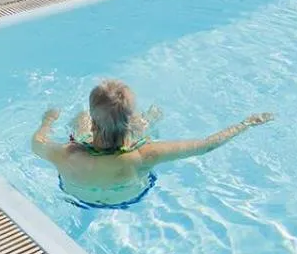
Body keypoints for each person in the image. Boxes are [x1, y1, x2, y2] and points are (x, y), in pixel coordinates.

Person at [31, 78, 273, 209]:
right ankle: (149, 118)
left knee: (78, 123)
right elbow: (206, 145)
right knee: (147, 124)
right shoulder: (147, 153)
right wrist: (247, 123)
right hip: (129, 198)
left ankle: (109, 119)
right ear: (128, 119)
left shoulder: (66, 154)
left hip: (78, 199)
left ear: (95, 120)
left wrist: (48, 120)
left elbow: (37, 142)